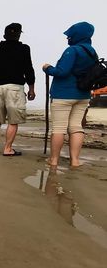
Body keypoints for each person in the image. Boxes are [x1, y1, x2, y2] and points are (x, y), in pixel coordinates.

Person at [42, 21, 96, 168]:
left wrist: (47, 68)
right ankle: (75, 160)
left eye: (70, 35)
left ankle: (53, 160)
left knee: (59, 128)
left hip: (63, 94)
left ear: (77, 35)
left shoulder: (72, 51)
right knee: (76, 127)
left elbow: (61, 72)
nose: (68, 38)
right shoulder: (92, 52)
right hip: (83, 95)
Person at [0, 23, 36, 156]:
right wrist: (31, 88)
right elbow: (29, 69)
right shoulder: (24, 49)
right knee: (13, 120)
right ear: (18, 35)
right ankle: (7, 149)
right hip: (15, 88)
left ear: (5, 35)